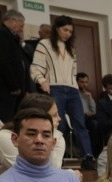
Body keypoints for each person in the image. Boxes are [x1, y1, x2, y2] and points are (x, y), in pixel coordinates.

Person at [30, 15, 94, 169]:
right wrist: (42, 81)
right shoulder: (44, 44)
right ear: (57, 28)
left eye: (71, 31)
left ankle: (88, 157)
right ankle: (54, 157)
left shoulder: (71, 49)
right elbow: (35, 67)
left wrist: (77, 87)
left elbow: (73, 72)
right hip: (55, 88)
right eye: (65, 30)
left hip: (72, 90)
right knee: (59, 124)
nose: (68, 34)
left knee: (80, 123)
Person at [0, 93, 67, 174]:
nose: (59, 118)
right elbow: (30, 174)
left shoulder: (57, 138)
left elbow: (54, 173)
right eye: (54, 115)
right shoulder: (4, 137)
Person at [0, 10, 28, 122]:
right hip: (3, 87)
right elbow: (3, 61)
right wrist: (14, 86)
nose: (21, 29)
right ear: (13, 21)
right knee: (3, 119)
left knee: (12, 118)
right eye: (21, 25)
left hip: (10, 88)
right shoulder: (0, 33)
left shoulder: (11, 36)